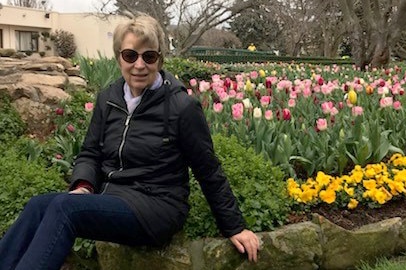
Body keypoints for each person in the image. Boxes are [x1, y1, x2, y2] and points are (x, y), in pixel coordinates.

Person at [0, 15, 259, 269]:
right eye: (130, 55)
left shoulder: (181, 106)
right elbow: (90, 152)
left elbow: (208, 169)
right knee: (37, 206)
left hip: (157, 206)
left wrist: (235, 227)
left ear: (159, 59)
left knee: (65, 209)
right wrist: (83, 186)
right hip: (113, 196)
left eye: (149, 56)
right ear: (118, 57)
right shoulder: (109, 98)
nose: (139, 65)